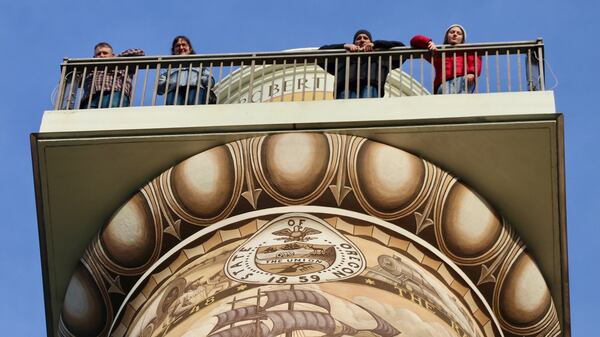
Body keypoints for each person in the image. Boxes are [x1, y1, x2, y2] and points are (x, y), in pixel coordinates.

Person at [319, 29, 404, 99]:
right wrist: (344, 46)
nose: (362, 40)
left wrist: (376, 44)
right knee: (345, 113)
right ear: (354, 43)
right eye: (358, 38)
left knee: (367, 111)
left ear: (370, 41)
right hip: (344, 88)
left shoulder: (380, 57)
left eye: (365, 38)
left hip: (371, 86)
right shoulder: (342, 57)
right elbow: (321, 52)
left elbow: (401, 47)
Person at [410, 24, 482, 94]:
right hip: (444, 83)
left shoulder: (467, 51)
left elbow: (476, 60)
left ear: (462, 39)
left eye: (459, 33)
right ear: (447, 36)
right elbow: (414, 41)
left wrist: (472, 73)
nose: (455, 34)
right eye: (452, 32)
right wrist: (428, 43)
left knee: (462, 103)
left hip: (464, 80)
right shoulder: (439, 52)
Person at [80, 42, 145, 108]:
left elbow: (139, 52)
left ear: (112, 55)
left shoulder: (121, 64)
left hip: (114, 93)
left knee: (113, 115)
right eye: (98, 54)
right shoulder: (89, 69)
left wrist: (115, 59)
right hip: (90, 98)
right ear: (94, 57)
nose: (102, 55)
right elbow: (77, 80)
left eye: (105, 53)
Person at [157, 36, 215, 105]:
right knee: (173, 113)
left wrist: (202, 79)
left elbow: (210, 82)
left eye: (183, 45)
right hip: (174, 92)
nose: (181, 48)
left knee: (195, 111)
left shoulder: (199, 63)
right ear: (173, 50)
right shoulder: (168, 66)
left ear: (190, 49)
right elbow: (159, 88)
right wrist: (169, 82)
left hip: (195, 90)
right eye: (178, 46)